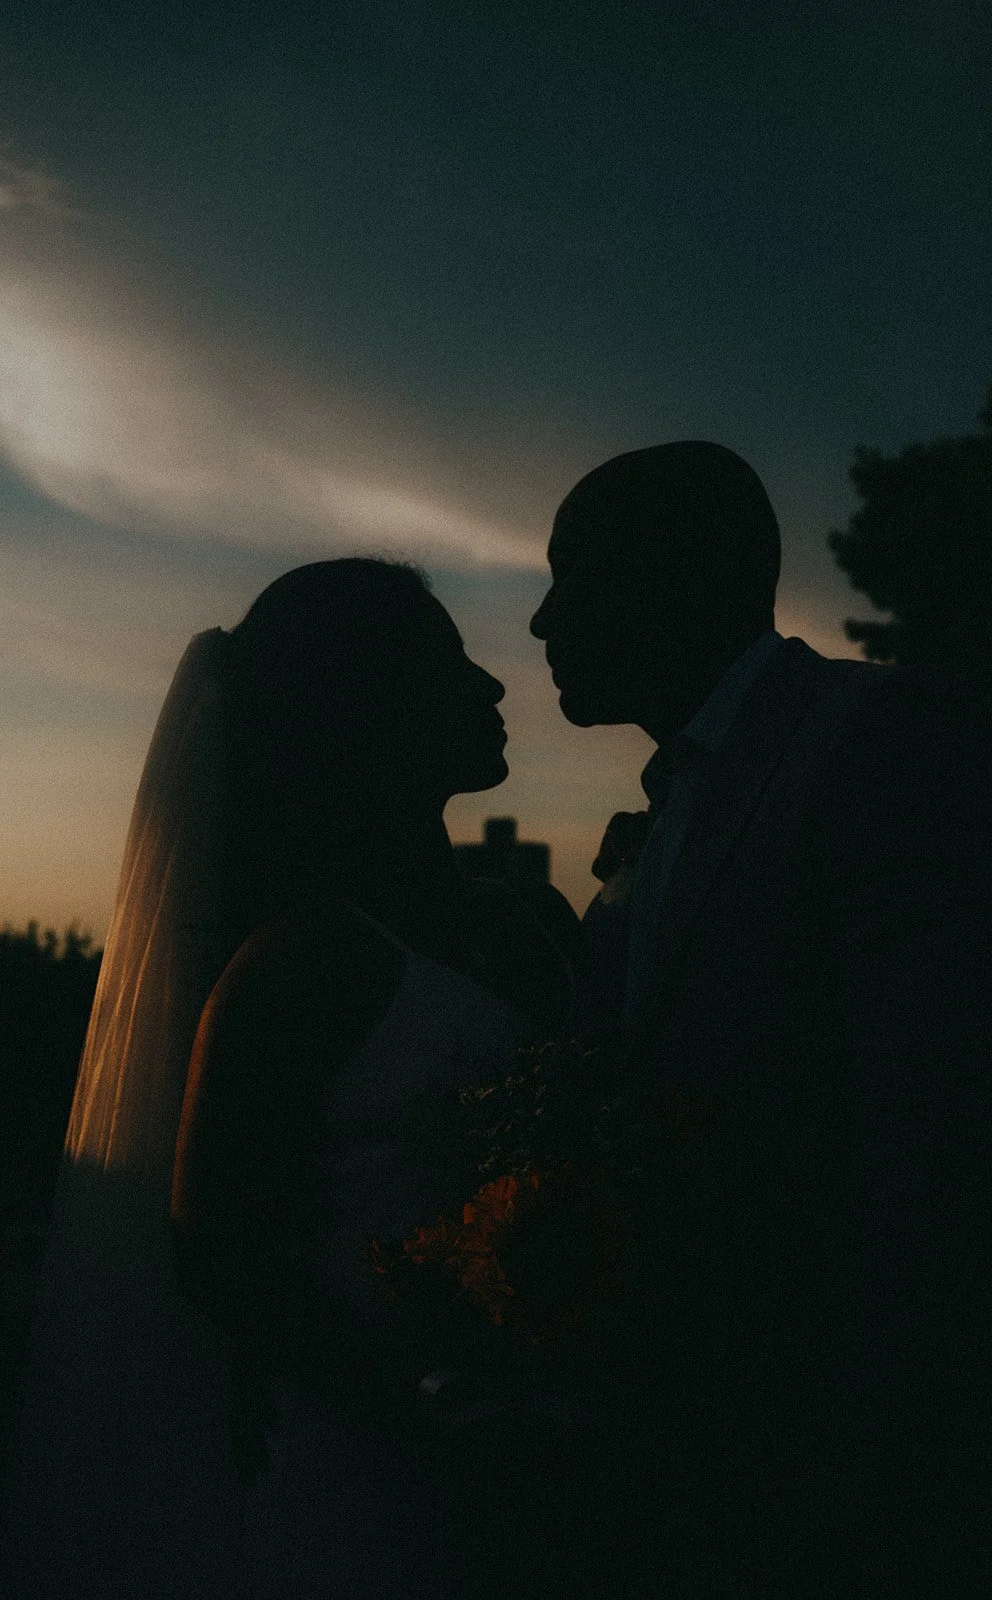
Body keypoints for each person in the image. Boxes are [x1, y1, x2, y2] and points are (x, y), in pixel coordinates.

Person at [530, 442, 992, 1598]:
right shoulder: (646, 835)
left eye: (572, 572)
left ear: (688, 570)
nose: (537, 618)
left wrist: (863, 1475)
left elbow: (945, 1140)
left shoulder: (878, 734)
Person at [3, 558, 578, 1599]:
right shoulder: (298, 964)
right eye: (450, 661)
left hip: (563, 1436)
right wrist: (438, 1407)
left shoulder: (536, 923)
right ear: (369, 702)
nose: (493, 688)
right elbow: (219, 1250)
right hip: (372, 1458)